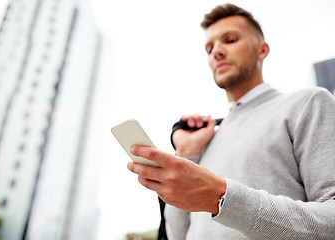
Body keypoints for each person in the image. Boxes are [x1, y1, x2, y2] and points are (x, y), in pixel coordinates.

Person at [127, 3, 335, 239]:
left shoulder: (308, 103)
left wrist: (221, 197)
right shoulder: (205, 138)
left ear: (262, 50)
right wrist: (188, 153)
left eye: (230, 39)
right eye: (209, 47)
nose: (216, 51)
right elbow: (178, 235)